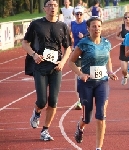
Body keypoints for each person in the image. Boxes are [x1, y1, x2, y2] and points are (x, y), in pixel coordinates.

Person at [22, 0, 71, 141]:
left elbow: (68, 48)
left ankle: (45, 130)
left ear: (58, 8)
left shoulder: (62, 26)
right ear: (45, 8)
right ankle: (36, 113)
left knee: (53, 101)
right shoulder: (36, 24)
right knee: (42, 101)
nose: (53, 8)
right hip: (40, 67)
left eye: (55, 5)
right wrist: (34, 55)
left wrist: (62, 62)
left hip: (56, 67)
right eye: (49, 5)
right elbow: (25, 43)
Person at [68, 16, 118, 150]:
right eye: (94, 26)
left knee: (101, 114)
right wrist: (80, 74)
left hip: (102, 82)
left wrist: (110, 72)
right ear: (88, 28)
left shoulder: (106, 43)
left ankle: (98, 148)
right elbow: (70, 62)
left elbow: (108, 59)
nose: (97, 29)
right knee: (87, 118)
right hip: (86, 84)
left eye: (99, 26)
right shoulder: (83, 43)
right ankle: (80, 127)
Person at [70, 6, 89, 110]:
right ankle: (79, 101)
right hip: (76, 52)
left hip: (86, 52)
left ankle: (87, 96)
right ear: (74, 14)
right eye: (77, 14)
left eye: (80, 14)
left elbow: (93, 36)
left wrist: (84, 37)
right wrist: (70, 43)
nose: (79, 16)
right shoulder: (72, 24)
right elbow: (68, 35)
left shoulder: (87, 24)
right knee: (78, 76)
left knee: (86, 74)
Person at [116, 12, 129, 86]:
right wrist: (122, 39)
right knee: (124, 69)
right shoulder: (121, 27)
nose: (127, 19)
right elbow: (116, 36)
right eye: (126, 17)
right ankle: (125, 76)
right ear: (123, 19)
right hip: (123, 48)